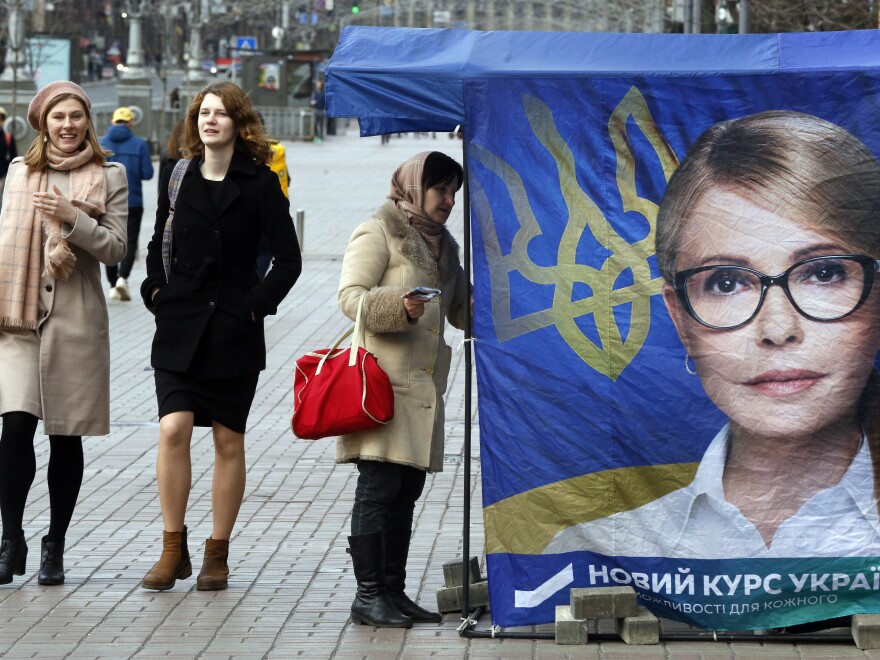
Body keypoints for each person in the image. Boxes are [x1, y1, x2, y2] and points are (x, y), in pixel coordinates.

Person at [546, 110, 880, 559]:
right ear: (680, 318)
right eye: (727, 283)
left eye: (823, 273)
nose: (778, 330)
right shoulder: (601, 551)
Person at [139, 81, 301, 592]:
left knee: (229, 439)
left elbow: (288, 259)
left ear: (238, 123)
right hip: (180, 320)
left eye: (220, 114)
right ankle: (172, 548)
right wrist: (154, 289)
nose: (209, 121)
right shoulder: (177, 174)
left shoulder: (259, 183)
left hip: (232, 325)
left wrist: (253, 307)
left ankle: (217, 553)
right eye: (203, 113)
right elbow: (158, 238)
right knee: (173, 428)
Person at [0, 81, 128, 585]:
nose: (68, 125)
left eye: (76, 116)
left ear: (87, 121)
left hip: (75, 321)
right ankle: (11, 540)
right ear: (43, 123)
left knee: (65, 439)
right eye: (59, 117)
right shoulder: (19, 171)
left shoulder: (109, 174)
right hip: (19, 318)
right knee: (13, 431)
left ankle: (55, 543)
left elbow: (117, 250)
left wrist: (72, 218)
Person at [337, 151, 470, 627]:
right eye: (441, 190)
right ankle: (368, 594)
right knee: (379, 487)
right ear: (415, 187)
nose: (449, 200)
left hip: (422, 389)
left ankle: (392, 592)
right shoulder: (380, 231)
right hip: (382, 384)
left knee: (406, 489)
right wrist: (400, 306)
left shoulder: (444, 246)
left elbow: (458, 309)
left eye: (455, 191)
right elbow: (349, 296)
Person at [100, 106, 154, 301]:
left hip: (106, 202)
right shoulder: (139, 144)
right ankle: (123, 277)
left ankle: (113, 284)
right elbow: (148, 173)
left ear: (113, 122)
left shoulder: (101, 142)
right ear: (131, 123)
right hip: (133, 201)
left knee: (108, 239)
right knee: (130, 241)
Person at [0, 106, 18, 208]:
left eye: (0, 118)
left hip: (2, 176)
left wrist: (4, 175)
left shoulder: (8, 138)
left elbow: (13, 158)